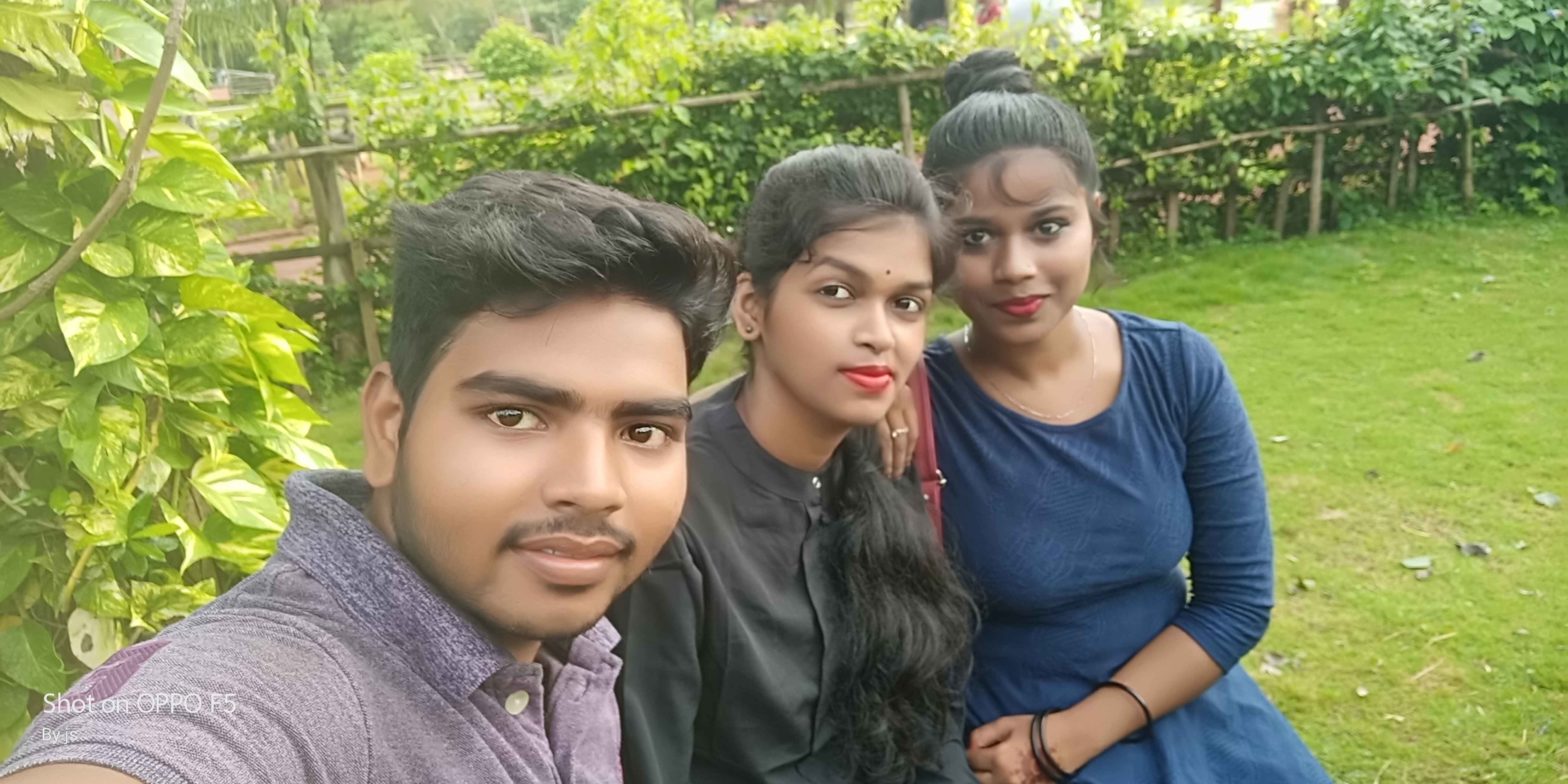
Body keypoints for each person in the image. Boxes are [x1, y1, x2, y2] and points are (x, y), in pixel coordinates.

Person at [0, 171, 735, 784]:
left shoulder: (564, 645)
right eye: (514, 416)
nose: (596, 487)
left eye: (644, 431)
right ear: (388, 423)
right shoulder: (272, 692)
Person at [884, 50, 1333, 783]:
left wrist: (1068, 737)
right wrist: (882, 375)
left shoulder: (1178, 368)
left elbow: (1237, 599)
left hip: (1182, 702)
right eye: (976, 237)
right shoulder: (913, 403)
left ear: (1094, 214)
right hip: (1002, 739)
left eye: (1047, 227)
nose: (1015, 266)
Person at [612, 145, 977, 784]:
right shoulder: (674, 509)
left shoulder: (880, 455)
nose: (880, 334)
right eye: (837, 292)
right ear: (751, 308)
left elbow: (927, 711)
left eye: (906, 304)